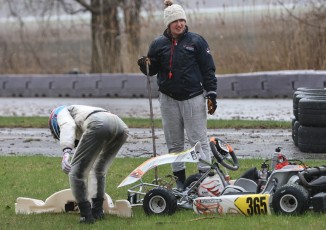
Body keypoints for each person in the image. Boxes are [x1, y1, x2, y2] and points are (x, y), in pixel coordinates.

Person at [137, 0, 217, 190]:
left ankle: (206, 180)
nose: (179, 24)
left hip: (193, 97)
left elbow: (208, 69)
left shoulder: (197, 41)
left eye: (182, 20)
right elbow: (152, 70)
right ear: (168, 24)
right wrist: (145, 65)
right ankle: (180, 182)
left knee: (198, 141)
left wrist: (211, 93)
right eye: (175, 21)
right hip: (168, 99)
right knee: (174, 144)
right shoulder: (158, 44)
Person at [48, 105, 129, 224]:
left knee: (75, 173)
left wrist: (66, 152)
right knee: (98, 170)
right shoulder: (81, 109)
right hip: (121, 126)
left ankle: (86, 215)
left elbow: (68, 125)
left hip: (98, 123)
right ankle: (97, 211)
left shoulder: (61, 113)